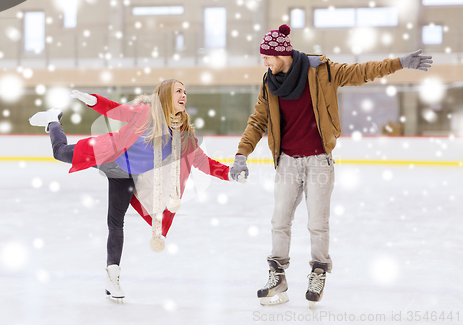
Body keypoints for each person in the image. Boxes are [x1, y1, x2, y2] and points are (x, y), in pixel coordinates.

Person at [229, 24, 432, 307]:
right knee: (279, 221)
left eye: (267, 56)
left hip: (318, 160)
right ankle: (278, 274)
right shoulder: (269, 83)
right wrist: (242, 154)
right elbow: (258, 120)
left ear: (283, 54)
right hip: (287, 161)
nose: (264, 62)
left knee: (317, 222)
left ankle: (318, 270)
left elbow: (361, 72)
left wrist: (398, 63)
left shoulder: (320, 70)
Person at [29, 79, 244, 303]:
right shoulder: (144, 112)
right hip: (109, 153)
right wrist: (93, 100)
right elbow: (115, 110)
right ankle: (53, 120)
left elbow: (204, 162)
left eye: (185, 92)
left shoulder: (182, 135)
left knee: (115, 221)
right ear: (165, 95)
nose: (184, 95)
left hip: (126, 175)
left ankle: (112, 277)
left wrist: (230, 173)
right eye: (178, 91)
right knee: (60, 153)